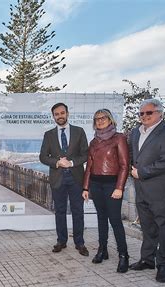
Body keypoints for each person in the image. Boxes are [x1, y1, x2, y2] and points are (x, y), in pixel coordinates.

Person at [129, 99, 165, 283]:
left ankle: (164, 266)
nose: (144, 116)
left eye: (148, 113)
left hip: (162, 191)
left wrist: (141, 172)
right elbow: (133, 156)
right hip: (141, 190)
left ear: (159, 113)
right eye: (141, 113)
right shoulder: (135, 133)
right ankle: (147, 259)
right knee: (148, 227)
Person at [82, 109, 130, 273]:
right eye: (97, 119)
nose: (100, 121)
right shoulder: (93, 142)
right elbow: (89, 166)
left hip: (112, 186)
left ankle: (124, 255)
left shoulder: (119, 138)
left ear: (110, 120)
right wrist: (86, 187)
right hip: (96, 184)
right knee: (101, 219)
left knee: (115, 221)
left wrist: (119, 187)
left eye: (103, 118)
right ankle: (103, 250)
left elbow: (125, 166)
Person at [39, 102, 89, 256]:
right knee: (60, 211)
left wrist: (72, 162)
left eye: (62, 113)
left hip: (76, 178)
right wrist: (56, 162)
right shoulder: (49, 135)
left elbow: (85, 155)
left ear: (67, 113)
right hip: (57, 179)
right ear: (53, 116)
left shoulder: (79, 132)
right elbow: (42, 157)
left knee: (78, 211)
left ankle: (79, 243)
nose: (60, 116)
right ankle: (61, 241)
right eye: (56, 114)